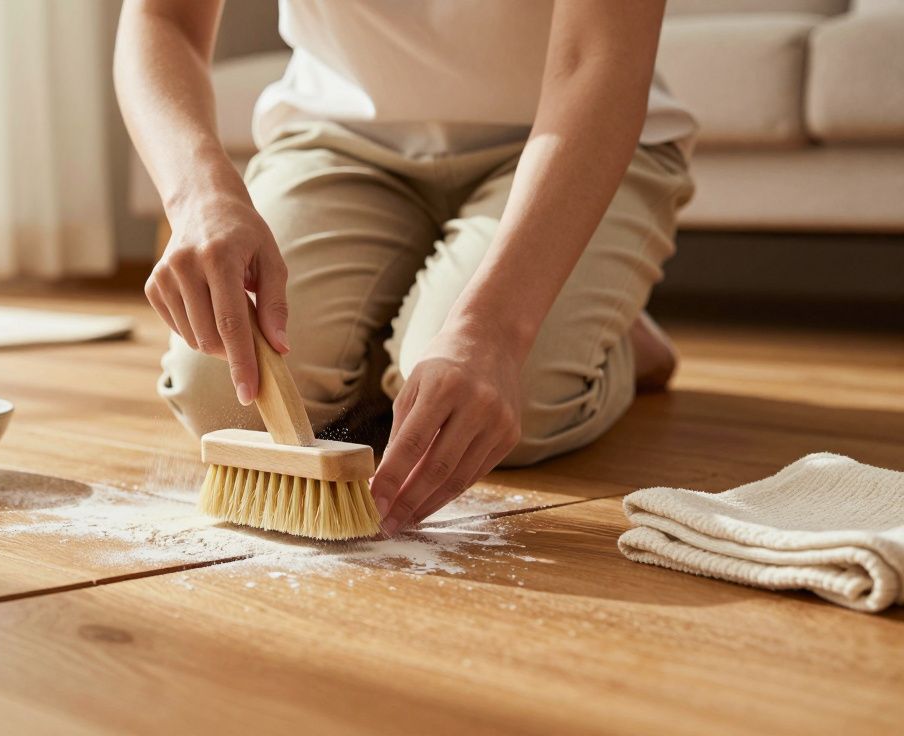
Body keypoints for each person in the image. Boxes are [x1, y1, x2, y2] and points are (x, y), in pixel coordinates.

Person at [115, 0, 696, 537]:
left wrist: (495, 331)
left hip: (564, 141)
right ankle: (436, 318)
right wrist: (199, 196)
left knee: (513, 405)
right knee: (222, 390)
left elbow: (596, 56)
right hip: (340, 140)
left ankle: (594, 334)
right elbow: (163, 18)